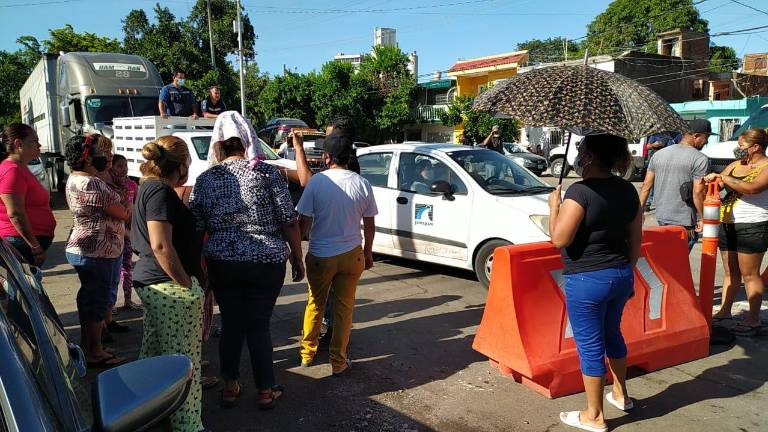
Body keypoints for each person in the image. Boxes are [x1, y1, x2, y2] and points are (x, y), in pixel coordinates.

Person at [192, 132, 305, 409]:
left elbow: (196, 225)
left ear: (218, 148)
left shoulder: (205, 179)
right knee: (258, 326)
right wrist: (297, 257)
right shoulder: (266, 172)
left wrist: (199, 266)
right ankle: (266, 390)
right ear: (246, 145)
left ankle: (230, 387)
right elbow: (289, 219)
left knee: (231, 325)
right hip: (265, 261)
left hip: (222, 262)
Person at [548, 134, 642, 432]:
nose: (578, 155)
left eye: (581, 150)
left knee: (590, 346)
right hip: (621, 273)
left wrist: (554, 207)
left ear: (589, 157)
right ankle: (621, 394)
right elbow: (636, 241)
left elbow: (559, 239)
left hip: (586, 278)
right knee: (612, 333)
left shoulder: (580, 191)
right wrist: (625, 272)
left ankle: (595, 415)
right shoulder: (628, 189)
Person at [132, 136, 206, 432]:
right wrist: (187, 285)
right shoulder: (160, 191)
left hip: (155, 284)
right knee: (184, 364)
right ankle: (188, 426)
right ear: (181, 165)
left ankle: (143, 411)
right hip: (168, 288)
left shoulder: (149, 188)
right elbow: (161, 245)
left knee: (155, 353)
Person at [297, 133, 377, 376]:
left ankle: (307, 355)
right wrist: (368, 252)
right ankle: (338, 362)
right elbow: (370, 224)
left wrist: (296, 255)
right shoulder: (362, 183)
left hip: (321, 255)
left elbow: (303, 221)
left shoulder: (317, 182)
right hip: (352, 255)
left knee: (315, 303)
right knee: (344, 310)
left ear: (327, 157)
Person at [64, 135, 131, 368]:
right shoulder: (91, 183)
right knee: (97, 303)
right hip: (98, 251)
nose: (105, 157)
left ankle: (91, 346)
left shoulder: (75, 178)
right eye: (100, 153)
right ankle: (94, 351)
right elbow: (121, 213)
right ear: (88, 158)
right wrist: (127, 206)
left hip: (87, 248)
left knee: (89, 301)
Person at [706, 128, 768, 336]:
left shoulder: (766, 166)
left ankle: (753, 319)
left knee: (750, 274)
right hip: (727, 223)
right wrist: (710, 181)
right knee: (730, 272)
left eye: (742, 146)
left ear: (756, 147)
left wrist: (724, 179)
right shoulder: (736, 164)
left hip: (753, 225)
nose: (738, 149)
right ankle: (725, 311)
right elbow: (720, 181)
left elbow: (752, 188)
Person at [639, 119, 712, 252]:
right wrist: (703, 218)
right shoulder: (700, 159)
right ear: (696, 136)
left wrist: (640, 211)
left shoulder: (658, 155)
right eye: (706, 137)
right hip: (685, 222)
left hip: (662, 218)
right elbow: (698, 192)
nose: (706, 142)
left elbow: (646, 185)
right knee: (678, 261)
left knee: (667, 259)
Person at [0, 124, 56, 266]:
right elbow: (15, 213)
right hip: (19, 243)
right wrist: (35, 246)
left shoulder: (20, 168)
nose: (39, 145)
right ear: (19, 144)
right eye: (34, 141)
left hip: (24, 242)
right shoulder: (12, 171)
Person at [94, 136, 131, 337]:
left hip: (115, 238)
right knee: (99, 288)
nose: (109, 155)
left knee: (112, 281)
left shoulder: (112, 178)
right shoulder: (97, 179)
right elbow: (120, 211)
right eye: (105, 151)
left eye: (109, 151)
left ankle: (108, 320)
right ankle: (99, 329)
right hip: (103, 239)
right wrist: (126, 209)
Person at [110, 154, 141, 310]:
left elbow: (136, 208)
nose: (124, 169)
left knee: (127, 267)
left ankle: (128, 300)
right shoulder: (108, 186)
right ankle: (111, 304)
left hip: (128, 233)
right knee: (113, 271)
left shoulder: (132, 185)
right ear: (111, 168)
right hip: (112, 235)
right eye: (119, 166)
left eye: (125, 166)